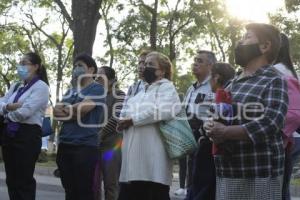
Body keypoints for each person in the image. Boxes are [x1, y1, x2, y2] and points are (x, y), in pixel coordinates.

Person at [205, 23, 288, 200]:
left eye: (247, 37)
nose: (240, 43)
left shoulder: (273, 80)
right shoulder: (232, 82)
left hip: (259, 172)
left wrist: (227, 132)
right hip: (227, 170)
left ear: (265, 46)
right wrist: (210, 126)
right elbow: (217, 114)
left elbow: (271, 122)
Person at [117, 51, 181, 200]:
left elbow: (162, 110)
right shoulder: (139, 92)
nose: (145, 67)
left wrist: (133, 120)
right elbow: (125, 111)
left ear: (162, 71)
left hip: (153, 165)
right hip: (131, 166)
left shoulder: (167, 87)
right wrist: (121, 122)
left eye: (151, 64)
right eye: (145, 64)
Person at [53, 53, 105, 200]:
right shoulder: (71, 90)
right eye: (75, 66)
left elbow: (82, 110)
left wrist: (69, 110)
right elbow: (56, 114)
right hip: (65, 145)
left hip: (85, 147)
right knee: (69, 190)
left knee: (84, 191)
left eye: (80, 66)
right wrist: (73, 112)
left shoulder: (97, 89)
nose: (76, 69)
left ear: (91, 70)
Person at [0, 52, 50, 200]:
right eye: (20, 62)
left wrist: (6, 115)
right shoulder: (16, 86)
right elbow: (1, 103)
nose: (20, 66)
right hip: (10, 133)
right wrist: (9, 106)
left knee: (23, 180)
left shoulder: (41, 87)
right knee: (12, 179)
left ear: (36, 66)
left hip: (27, 135)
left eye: (25, 63)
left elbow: (26, 111)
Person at [183, 50, 216, 200]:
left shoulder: (214, 86)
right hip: (190, 135)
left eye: (200, 61)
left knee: (203, 178)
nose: (195, 64)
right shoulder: (191, 88)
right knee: (192, 174)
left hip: (206, 138)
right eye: (194, 60)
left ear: (211, 65)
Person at [273, 33, 300, 200]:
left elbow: (292, 112)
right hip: (293, 137)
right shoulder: (290, 70)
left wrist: (282, 134)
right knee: (282, 188)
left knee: (277, 189)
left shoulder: (277, 71)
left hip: (284, 137)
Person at [96, 66, 125, 200]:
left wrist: (100, 135)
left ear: (112, 80)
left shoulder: (119, 94)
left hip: (111, 147)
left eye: (101, 75)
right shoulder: (94, 96)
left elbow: (116, 117)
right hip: (94, 145)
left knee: (111, 183)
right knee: (93, 184)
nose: (97, 77)